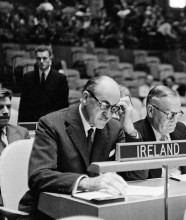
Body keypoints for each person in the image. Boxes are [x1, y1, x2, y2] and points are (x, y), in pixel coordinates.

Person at [18, 76, 141, 219]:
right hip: (47, 211)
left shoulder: (114, 128)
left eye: (113, 108)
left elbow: (137, 175)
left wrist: (130, 131)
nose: (108, 115)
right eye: (104, 105)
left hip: (92, 209)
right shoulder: (51, 124)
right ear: (85, 97)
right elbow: (39, 176)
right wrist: (87, 182)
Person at [124, 85, 186, 180]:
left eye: (177, 114)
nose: (174, 120)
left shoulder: (181, 129)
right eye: (169, 114)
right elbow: (136, 178)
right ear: (151, 111)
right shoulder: (134, 134)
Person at [18, 45, 69, 122]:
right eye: (39, 58)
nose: (41, 61)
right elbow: (23, 106)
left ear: (50, 58)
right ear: (36, 59)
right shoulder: (27, 78)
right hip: (32, 122)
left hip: (52, 123)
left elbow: (63, 107)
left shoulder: (60, 79)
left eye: (44, 58)